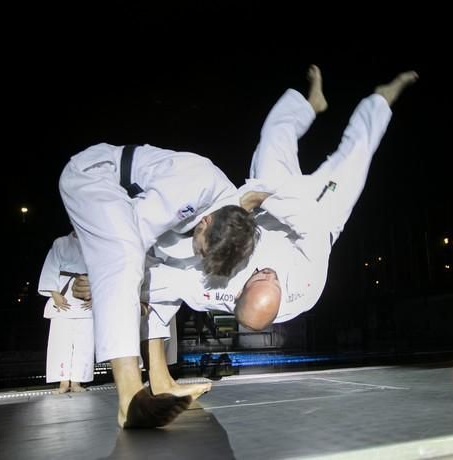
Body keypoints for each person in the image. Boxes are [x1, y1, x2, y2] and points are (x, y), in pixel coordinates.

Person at [117, 64, 417, 391]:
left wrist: (125, 283)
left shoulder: (220, 287)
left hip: (263, 208)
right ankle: (381, 100)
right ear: (283, 295)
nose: (269, 272)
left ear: (240, 291)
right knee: (356, 154)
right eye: (273, 280)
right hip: (319, 213)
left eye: (261, 276)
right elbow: (310, 223)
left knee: (272, 137)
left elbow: (170, 281)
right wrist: (269, 198)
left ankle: (308, 106)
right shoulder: (306, 287)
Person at [59, 140, 258, 428]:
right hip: (95, 176)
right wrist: (94, 277)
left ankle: (161, 380)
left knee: (167, 278)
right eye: (203, 249)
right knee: (125, 254)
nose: (200, 255)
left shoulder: (230, 218)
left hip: (131, 209)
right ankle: (129, 398)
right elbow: (125, 241)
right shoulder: (192, 185)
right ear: (206, 221)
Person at [38, 231, 93, 394]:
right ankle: (63, 381)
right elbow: (50, 268)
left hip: (87, 295)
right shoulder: (61, 243)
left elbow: (103, 272)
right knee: (60, 342)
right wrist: (54, 294)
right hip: (63, 296)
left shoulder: (95, 241)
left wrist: (96, 296)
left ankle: (77, 381)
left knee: (84, 343)